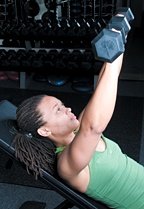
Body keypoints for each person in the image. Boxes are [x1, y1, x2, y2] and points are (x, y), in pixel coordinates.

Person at [12, 53, 144, 209]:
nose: (67, 109)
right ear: (44, 130)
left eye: (62, 105)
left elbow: (103, 87)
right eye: (58, 110)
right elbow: (94, 127)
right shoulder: (67, 164)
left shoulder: (78, 131)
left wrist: (116, 49)